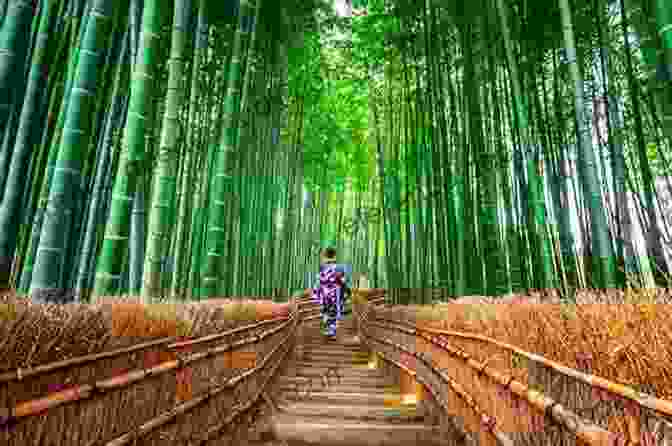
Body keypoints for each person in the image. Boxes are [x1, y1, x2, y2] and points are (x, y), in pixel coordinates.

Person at [312, 247, 346, 339]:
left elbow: (318, 281)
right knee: (334, 312)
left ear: (325, 256)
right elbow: (343, 281)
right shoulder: (339, 267)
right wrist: (345, 293)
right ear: (335, 256)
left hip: (324, 293)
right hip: (335, 293)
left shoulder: (322, 267)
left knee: (325, 311)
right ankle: (331, 331)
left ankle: (328, 329)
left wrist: (315, 293)